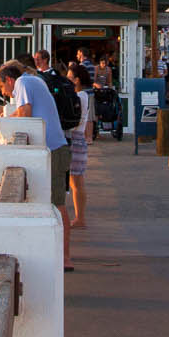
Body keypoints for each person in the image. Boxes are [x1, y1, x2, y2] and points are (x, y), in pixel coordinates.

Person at [0, 59, 73, 269]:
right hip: (56, 147)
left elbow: (25, 114)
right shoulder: (33, 80)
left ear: (10, 80)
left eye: (2, 87)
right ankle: (61, 254)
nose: (5, 93)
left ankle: (65, 257)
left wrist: (1, 125)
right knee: (54, 204)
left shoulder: (23, 84)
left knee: (58, 205)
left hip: (54, 150)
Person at [66, 62, 95, 226]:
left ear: (76, 80)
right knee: (75, 181)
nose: (67, 80)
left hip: (76, 138)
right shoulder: (83, 96)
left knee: (77, 181)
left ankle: (80, 218)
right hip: (77, 138)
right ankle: (79, 217)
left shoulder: (80, 97)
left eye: (69, 77)